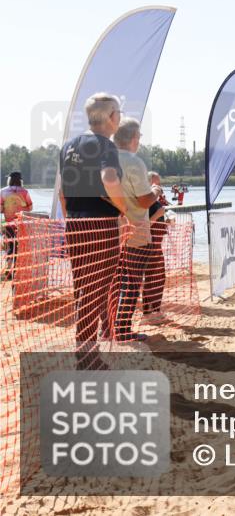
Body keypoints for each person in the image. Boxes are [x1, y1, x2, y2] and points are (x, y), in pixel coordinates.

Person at [59, 93, 127, 370]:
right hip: (100, 225)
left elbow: (63, 191)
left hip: (75, 224)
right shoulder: (106, 146)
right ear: (112, 117)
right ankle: (87, 357)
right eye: (119, 113)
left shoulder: (68, 146)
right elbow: (109, 179)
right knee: (97, 292)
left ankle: (86, 353)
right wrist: (125, 209)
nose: (120, 118)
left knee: (83, 291)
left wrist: (70, 219)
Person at [113, 118, 161, 342]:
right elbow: (144, 202)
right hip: (136, 231)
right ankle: (122, 330)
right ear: (133, 138)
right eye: (139, 136)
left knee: (113, 283)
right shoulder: (134, 162)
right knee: (132, 283)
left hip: (112, 230)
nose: (140, 140)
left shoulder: (104, 160)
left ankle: (110, 328)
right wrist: (156, 191)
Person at [141, 171, 169, 323]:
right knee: (151, 279)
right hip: (149, 244)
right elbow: (143, 225)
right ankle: (148, 314)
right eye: (155, 183)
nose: (159, 186)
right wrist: (158, 215)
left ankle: (155, 311)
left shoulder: (155, 201)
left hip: (157, 244)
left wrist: (166, 220)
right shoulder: (145, 201)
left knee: (158, 278)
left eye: (159, 183)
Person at [1, 171, 33, 280]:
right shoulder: (25, 192)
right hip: (21, 225)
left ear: (9, 180)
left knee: (10, 247)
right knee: (20, 248)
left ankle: (9, 270)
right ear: (20, 180)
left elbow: (0, 209)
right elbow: (30, 208)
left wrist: (7, 209)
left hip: (8, 225)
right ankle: (17, 270)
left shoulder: (2, 191)